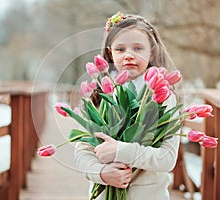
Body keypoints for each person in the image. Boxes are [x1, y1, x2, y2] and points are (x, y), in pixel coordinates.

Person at [74, 12, 180, 200]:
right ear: (110, 53)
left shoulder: (164, 98)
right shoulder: (99, 96)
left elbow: (167, 159)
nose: (129, 56)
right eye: (120, 49)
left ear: (152, 52)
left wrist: (120, 151)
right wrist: (101, 172)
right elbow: (82, 152)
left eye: (138, 48)